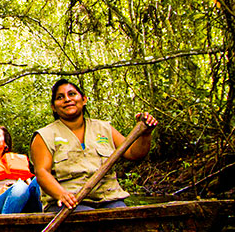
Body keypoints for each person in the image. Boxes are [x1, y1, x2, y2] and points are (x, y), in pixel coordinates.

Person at [30, 78, 157, 212]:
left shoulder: (104, 128)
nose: (67, 99)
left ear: (84, 99)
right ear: (54, 107)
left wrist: (145, 134)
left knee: (123, 220)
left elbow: (134, 153)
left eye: (72, 94)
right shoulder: (44, 136)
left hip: (110, 198)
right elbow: (42, 172)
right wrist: (62, 194)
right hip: (70, 204)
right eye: (60, 97)